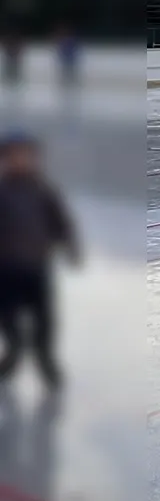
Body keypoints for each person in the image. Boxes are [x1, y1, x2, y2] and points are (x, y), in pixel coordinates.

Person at [0, 134, 77, 387]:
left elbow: (60, 221)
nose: (21, 160)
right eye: (14, 155)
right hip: (7, 270)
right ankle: (13, 353)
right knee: (9, 318)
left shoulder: (42, 190)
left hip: (37, 268)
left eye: (26, 155)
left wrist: (70, 247)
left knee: (44, 320)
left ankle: (45, 360)